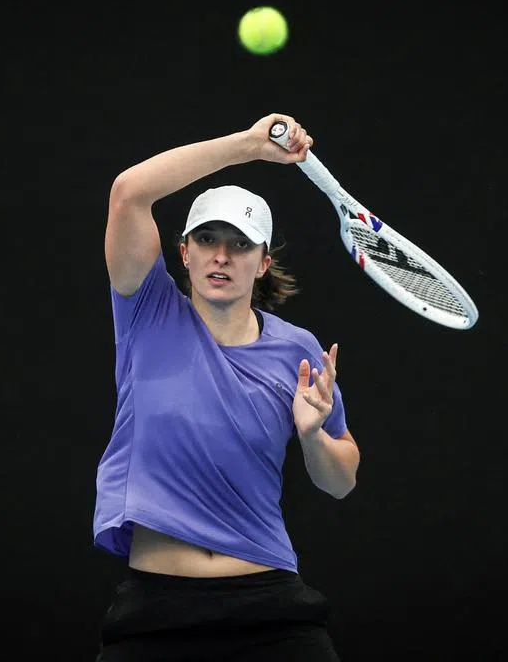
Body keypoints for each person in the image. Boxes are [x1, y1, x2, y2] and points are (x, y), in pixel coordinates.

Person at [92, 113, 360, 661]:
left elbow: (341, 482)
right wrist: (249, 146)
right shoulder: (147, 312)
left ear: (263, 263)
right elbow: (128, 192)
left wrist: (313, 435)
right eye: (207, 238)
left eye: (240, 244)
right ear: (184, 252)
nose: (221, 255)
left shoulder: (298, 351)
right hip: (155, 612)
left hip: (270, 608)